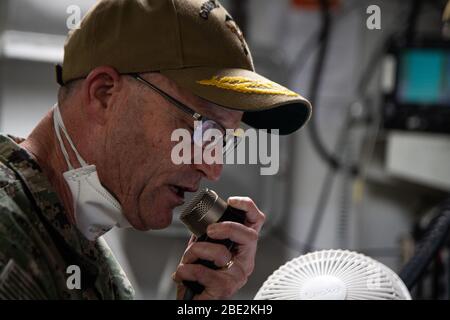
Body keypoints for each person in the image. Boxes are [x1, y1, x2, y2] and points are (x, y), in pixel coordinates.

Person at [0, 0, 311, 300]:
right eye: (204, 130)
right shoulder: (8, 232)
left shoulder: (94, 265)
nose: (213, 170)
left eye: (223, 141)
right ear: (104, 94)